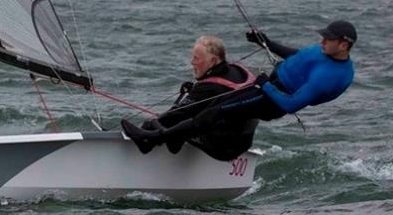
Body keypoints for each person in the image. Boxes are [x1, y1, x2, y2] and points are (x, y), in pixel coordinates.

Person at [121, 20, 357, 153]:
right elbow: (299, 56)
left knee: (215, 110)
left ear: (344, 45)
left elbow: (291, 103)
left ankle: (153, 139)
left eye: (329, 38)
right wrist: (267, 42)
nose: (322, 41)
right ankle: (174, 138)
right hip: (267, 87)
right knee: (216, 105)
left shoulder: (330, 76)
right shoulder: (324, 52)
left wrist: (265, 86)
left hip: (271, 100)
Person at [125, 35, 259, 161]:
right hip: (242, 143)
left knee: (154, 123)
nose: (192, 62)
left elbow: (175, 115)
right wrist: (190, 95)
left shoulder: (209, 87)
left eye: (196, 58)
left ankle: (153, 143)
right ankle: (173, 140)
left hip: (222, 149)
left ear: (213, 61)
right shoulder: (238, 71)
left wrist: (148, 127)